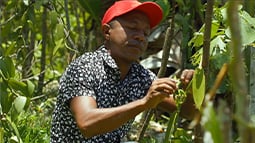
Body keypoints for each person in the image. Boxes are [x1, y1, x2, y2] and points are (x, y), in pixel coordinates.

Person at [50, 0, 196, 142]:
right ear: (107, 32)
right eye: (132, 28)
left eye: (146, 33)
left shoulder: (140, 76)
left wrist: (188, 91)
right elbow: (87, 124)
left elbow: (188, 113)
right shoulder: (85, 66)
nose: (140, 37)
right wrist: (144, 103)